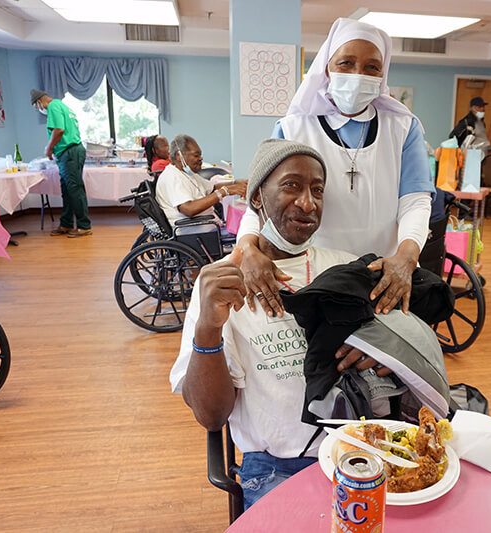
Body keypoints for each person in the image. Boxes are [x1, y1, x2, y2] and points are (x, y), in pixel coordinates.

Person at [169, 139, 390, 509]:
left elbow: (394, 361)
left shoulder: (347, 270)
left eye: (317, 190)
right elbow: (211, 415)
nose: (308, 203)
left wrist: (384, 356)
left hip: (360, 450)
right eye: (291, 186)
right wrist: (208, 328)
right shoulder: (220, 286)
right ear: (257, 197)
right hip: (278, 466)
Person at [236, 17, 434, 322]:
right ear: (327, 69)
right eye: (346, 63)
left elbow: (416, 201)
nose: (358, 75)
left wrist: (407, 256)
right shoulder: (294, 128)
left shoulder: (403, 128)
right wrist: (247, 248)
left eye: (372, 67)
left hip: (384, 271)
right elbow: (261, 201)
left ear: (382, 74)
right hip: (314, 272)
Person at [31, 89, 92, 237]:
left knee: (75, 189)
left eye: (36, 107)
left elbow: (59, 130)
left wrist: (49, 148)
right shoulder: (62, 106)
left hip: (69, 152)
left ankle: (84, 226)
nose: (39, 110)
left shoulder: (53, 106)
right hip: (69, 152)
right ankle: (66, 224)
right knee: (68, 190)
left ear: (39, 102)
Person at [154, 134, 247, 226]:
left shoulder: (187, 173)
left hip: (208, 226)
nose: (201, 158)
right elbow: (188, 209)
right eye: (196, 155)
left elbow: (212, 188)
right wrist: (224, 192)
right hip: (194, 232)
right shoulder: (172, 177)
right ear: (179, 156)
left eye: (200, 155)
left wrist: (235, 183)